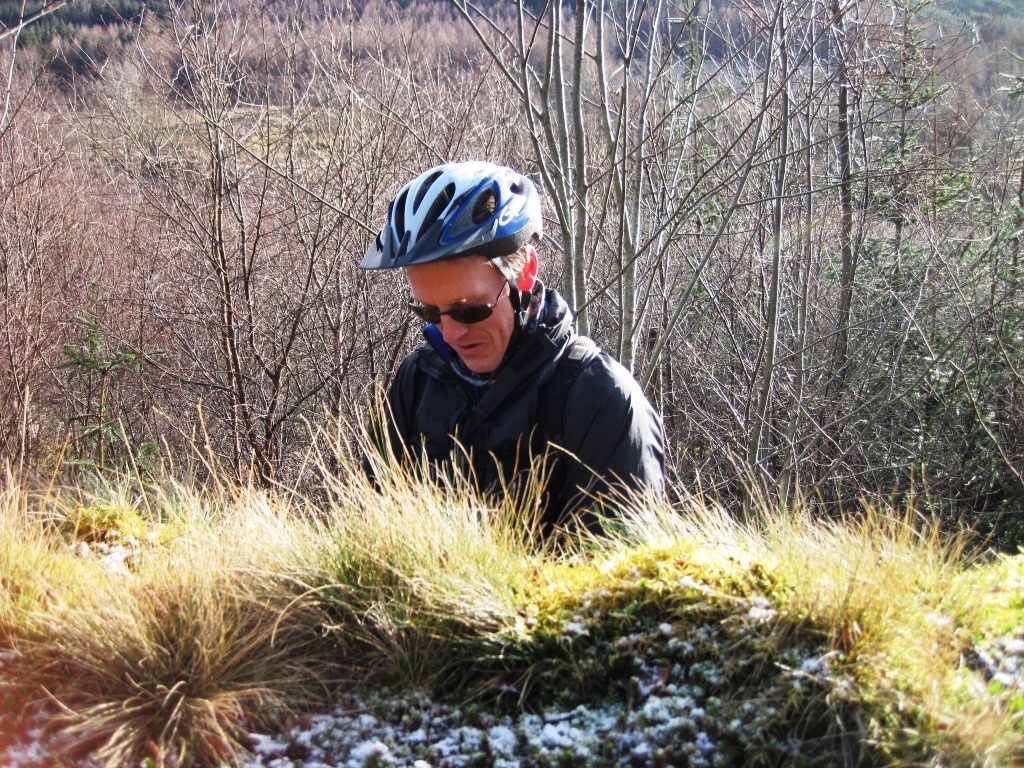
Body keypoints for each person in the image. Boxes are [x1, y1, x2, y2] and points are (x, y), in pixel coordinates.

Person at [361, 160, 664, 536]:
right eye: (430, 311)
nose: (450, 334)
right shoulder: (419, 379)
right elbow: (371, 533)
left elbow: (619, 565)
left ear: (525, 273)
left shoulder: (602, 399)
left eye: (470, 309)